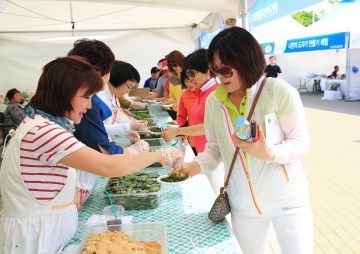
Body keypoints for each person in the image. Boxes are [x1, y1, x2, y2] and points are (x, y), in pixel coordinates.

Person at [0, 56, 184, 253]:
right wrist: (160, 155)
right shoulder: (44, 132)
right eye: (86, 97)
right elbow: (109, 166)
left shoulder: (41, 124)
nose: (89, 107)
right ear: (65, 93)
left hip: (44, 234)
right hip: (34, 241)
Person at [179, 27, 313, 254]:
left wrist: (269, 153)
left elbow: (300, 143)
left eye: (226, 70)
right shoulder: (215, 102)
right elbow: (214, 148)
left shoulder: (277, 91)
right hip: (242, 206)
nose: (220, 77)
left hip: (288, 201)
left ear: (247, 62)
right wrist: (195, 166)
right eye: (214, 69)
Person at [68, 39, 148, 206]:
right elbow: (99, 145)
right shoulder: (92, 102)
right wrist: (143, 153)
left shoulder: (89, 99)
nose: (89, 104)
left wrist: (127, 128)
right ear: (97, 72)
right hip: (78, 177)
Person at [161, 49, 218, 154]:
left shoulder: (215, 94)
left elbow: (209, 127)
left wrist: (178, 131)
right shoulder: (199, 92)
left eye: (192, 73)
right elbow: (189, 119)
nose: (190, 79)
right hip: (202, 149)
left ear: (208, 71)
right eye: (188, 73)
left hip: (212, 153)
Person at [175, 71, 197, 155]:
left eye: (191, 81)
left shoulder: (207, 95)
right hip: (192, 136)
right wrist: (178, 129)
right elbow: (181, 117)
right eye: (186, 81)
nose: (189, 84)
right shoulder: (185, 95)